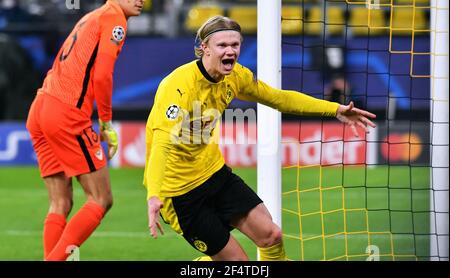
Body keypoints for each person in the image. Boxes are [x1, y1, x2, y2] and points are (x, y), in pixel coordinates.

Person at [144, 16, 376, 261]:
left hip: (213, 173)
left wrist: (335, 109)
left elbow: (278, 98)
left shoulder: (235, 77)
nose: (230, 51)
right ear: (204, 48)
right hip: (178, 193)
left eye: (235, 45)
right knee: (239, 264)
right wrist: (154, 195)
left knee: (271, 235)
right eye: (222, 45)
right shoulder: (178, 86)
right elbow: (162, 142)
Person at [26, 0, 145, 261]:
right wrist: (105, 122)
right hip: (66, 113)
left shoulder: (91, 16)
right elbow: (102, 76)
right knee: (101, 199)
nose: (141, 0)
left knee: (60, 202)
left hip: (40, 106)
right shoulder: (115, 19)